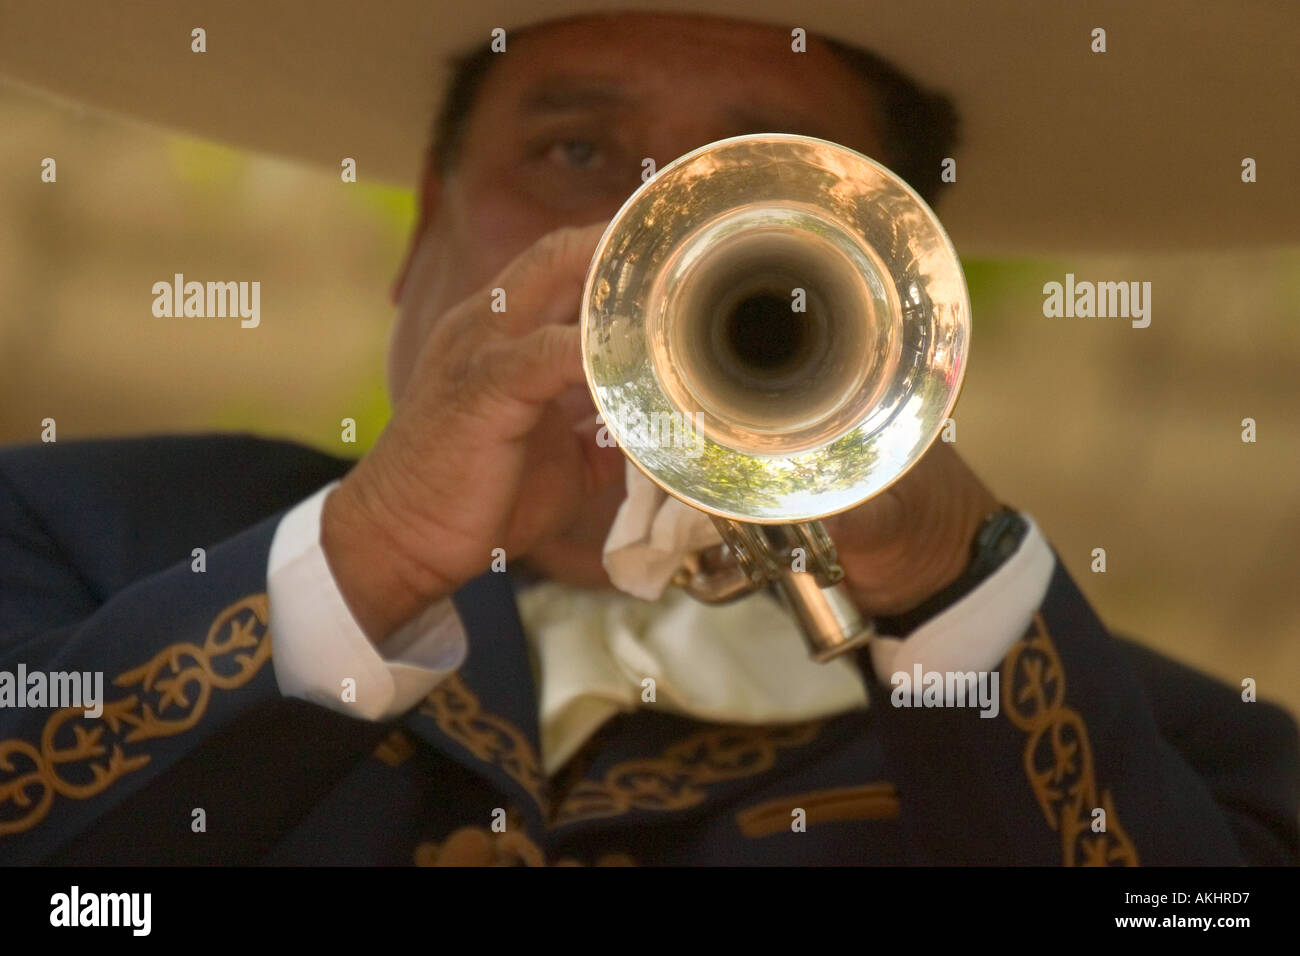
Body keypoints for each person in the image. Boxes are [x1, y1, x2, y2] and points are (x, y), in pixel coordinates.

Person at [0, 5, 1296, 866]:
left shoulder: (1199, 748)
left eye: (768, 185)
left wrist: (956, 585)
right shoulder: (65, 537)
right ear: (423, 236)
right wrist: (376, 554)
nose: (653, 253)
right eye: (576, 152)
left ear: (900, 295)